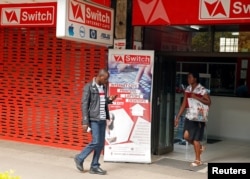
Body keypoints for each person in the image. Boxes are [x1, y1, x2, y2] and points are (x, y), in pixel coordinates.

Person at [74, 69, 117, 175]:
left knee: (100, 144)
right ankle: (79, 157)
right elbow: (84, 104)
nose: (107, 81)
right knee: (96, 141)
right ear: (100, 77)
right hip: (93, 119)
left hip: (102, 119)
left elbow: (100, 102)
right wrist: (85, 121)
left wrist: (109, 100)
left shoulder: (103, 87)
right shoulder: (89, 87)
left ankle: (94, 166)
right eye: (105, 79)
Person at [175, 72, 211, 167]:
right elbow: (184, 103)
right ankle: (200, 147)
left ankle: (198, 160)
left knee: (195, 139)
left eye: (190, 77)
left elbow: (208, 102)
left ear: (195, 79)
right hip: (189, 116)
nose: (188, 79)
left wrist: (196, 97)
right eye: (188, 77)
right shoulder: (188, 88)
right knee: (186, 136)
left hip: (198, 118)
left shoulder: (202, 89)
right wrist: (178, 116)